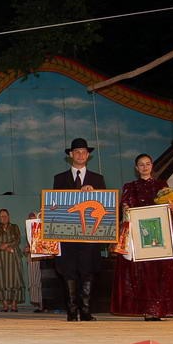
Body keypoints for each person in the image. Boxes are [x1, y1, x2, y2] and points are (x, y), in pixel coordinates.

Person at [110, 154, 173, 320]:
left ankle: (161, 309)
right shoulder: (130, 187)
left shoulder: (162, 185)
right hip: (140, 235)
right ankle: (148, 310)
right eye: (141, 164)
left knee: (163, 271)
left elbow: (172, 206)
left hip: (161, 234)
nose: (145, 167)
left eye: (147, 164)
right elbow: (124, 208)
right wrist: (125, 209)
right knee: (143, 272)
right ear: (136, 168)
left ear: (152, 166)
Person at [52, 138, 106, 321]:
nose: (81, 155)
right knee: (68, 272)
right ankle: (71, 311)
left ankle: (85, 311)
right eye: (77, 152)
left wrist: (95, 193)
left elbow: (105, 207)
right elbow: (55, 206)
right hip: (67, 236)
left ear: (88, 155)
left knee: (88, 271)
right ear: (70, 154)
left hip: (90, 236)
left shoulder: (98, 179)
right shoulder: (59, 179)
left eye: (84, 152)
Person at [0, 209, 24, 312]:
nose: (4, 218)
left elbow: (17, 239)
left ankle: (14, 304)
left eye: (5, 216)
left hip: (13, 257)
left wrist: (7, 245)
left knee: (15, 279)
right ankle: (5, 304)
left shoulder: (15, 227)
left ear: (9, 217)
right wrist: (1, 246)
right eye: (1, 216)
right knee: (0, 280)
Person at [25, 212, 45, 313]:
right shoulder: (29, 231)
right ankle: (39, 304)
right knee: (33, 282)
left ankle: (43, 304)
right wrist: (27, 249)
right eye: (30, 219)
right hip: (32, 258)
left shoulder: (42, 229)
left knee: (41, 282)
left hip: (42, 258)